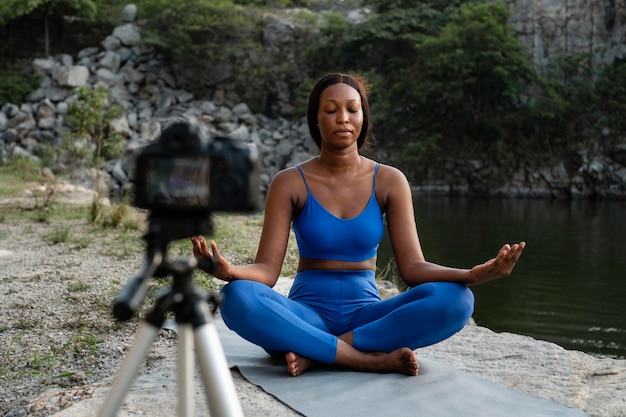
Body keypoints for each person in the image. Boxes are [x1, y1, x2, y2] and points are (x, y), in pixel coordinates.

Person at [191, 73, 526, 377]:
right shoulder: (289, 182)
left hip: (369, 317)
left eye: (352, 109)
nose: (343, 118)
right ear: (316, 120)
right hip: (305, 315)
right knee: (235, 297)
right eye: (331, 110)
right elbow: (267, 271)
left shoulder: (390, 180)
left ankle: (319, 351)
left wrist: (472, 275)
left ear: (363, 119)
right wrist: (230, 271)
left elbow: (413, 268)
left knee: (458, 300)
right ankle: (363, 359)